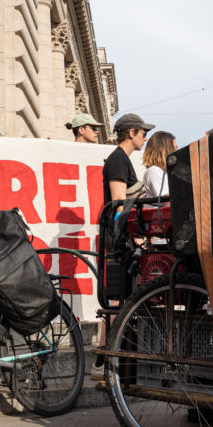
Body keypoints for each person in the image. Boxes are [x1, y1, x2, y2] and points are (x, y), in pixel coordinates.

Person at [93, 113, 154, 378]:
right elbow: (118, 203)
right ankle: (106, 357)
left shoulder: (122, 160)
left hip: (122, 237)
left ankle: (108, 356)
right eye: (143, 132)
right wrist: (135, 236)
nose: (145, 136)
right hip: (117, 239)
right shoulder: (118, 160)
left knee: (121, 300)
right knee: (116, 300)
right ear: (131, 132)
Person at [142, 131, 177, 197]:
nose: (177, 151)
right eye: (174, 148)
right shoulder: (154, 171)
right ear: (161, 149)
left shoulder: (166, 173)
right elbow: (167, 201)